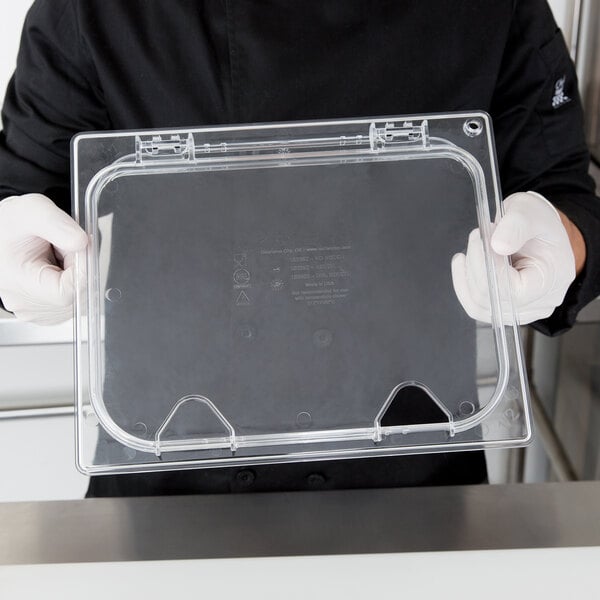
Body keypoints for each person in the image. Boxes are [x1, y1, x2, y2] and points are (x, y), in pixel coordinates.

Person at [0, 0, 598, 496]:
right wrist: (14, 264)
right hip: (168, 468)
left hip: (411, 469)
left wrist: (563, 250)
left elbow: (566, 194)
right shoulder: (93, 9)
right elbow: (20, 190)